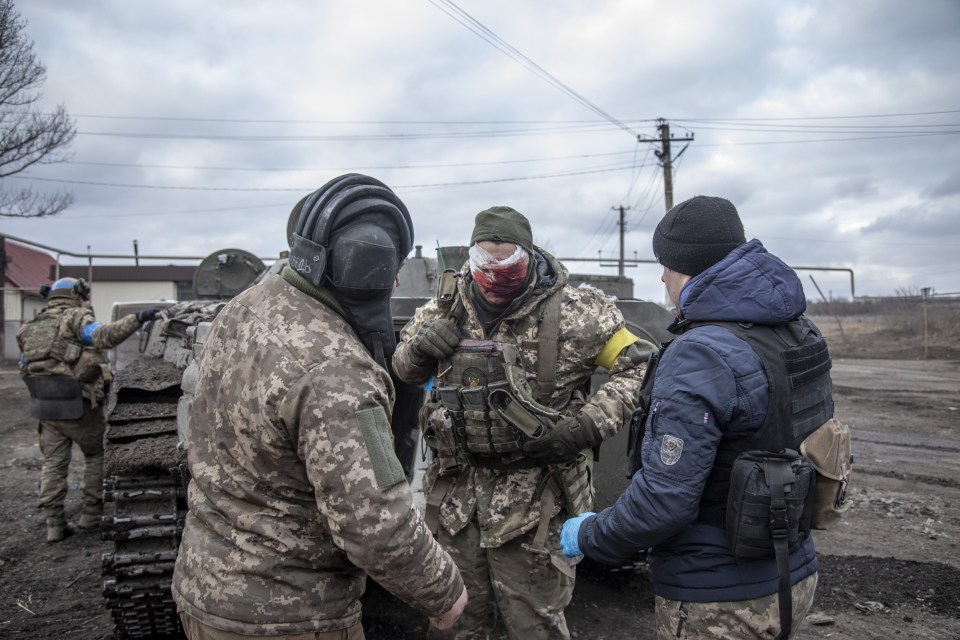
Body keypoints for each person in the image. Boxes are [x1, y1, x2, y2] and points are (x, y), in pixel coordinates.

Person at [171, 174, 467, 640]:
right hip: (291, 614)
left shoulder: (245, 308)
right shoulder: (338, 371)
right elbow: (374, 526)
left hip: (206, 589)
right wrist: (444, 593)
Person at [561, 196, 831, 639]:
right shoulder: (796, 329)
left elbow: (663, 503)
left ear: (684, 267)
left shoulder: (701, 354)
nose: (662, 276)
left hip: (719, 598)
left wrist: (592, 534)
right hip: (793, 572)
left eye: (665, 264)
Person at [393, 206, 655, 639]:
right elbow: (404, 369)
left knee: (535, 626)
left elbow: (641, 368)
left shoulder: (579, 313)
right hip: (457, 503)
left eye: (509, 267)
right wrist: (421, 348)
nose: (495, 280)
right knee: (452, 623)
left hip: (535, 506)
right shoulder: (446, 306)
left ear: (531, 258)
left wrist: (588, 425)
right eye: (485, 267)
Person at [16, 277, 159, 542]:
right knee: (96, 455)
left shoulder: (30, 327)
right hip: (78, 406)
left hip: (45, 408)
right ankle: (90, 515)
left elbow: (24, 366)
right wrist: (137, 319)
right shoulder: (74, 318)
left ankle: (54, 524)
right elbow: (102, 337)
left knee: (53, 464)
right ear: (77, 294)